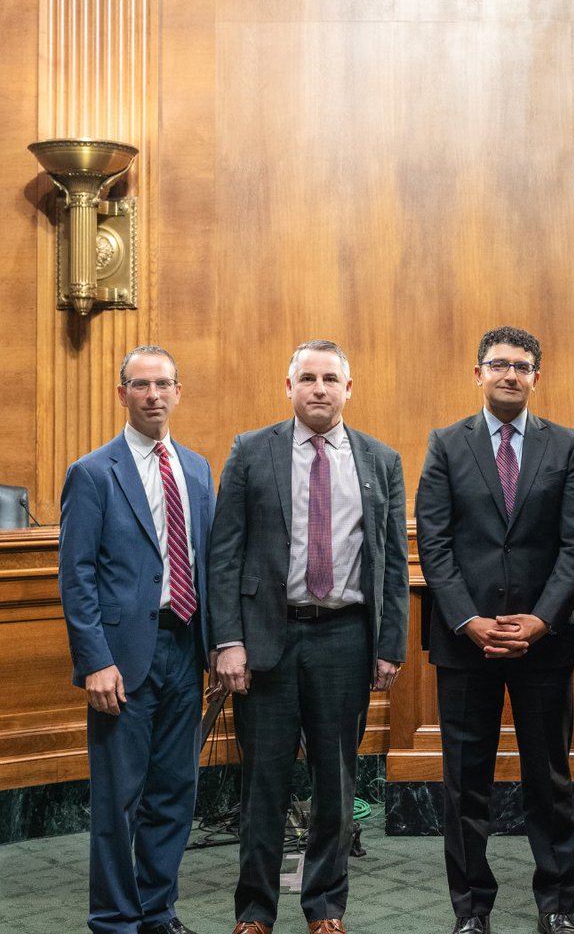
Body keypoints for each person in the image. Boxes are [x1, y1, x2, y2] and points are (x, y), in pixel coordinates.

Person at [209, 339, 408, 934]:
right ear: (288, 387)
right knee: (263, 784)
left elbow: (392, 562)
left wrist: (389, 644)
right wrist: (227, 641)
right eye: (307, 378)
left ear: (350, 388)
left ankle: (325, 908)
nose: (318, 389)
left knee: (336, 781)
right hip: (268, 640)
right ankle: (254, 913)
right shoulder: (250, 451)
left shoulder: (380, 459)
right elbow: (224, 555)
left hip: (345, 639)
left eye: (330, 379)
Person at [416, 326, 574, 934]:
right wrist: (470, 621)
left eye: (521, 366)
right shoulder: (445, 444)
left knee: (551, 782)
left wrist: (541, 620)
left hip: (543, 643)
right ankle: (471, 910)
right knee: (466, 784)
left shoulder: (565, 445)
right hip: (465, 644)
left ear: (536, 377)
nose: (509, 374)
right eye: (498, 365)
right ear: (478, 373)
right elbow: (433, 544)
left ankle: (557, 905)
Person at [59, 345, 216, 934]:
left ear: (179, 392)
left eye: (163, 384)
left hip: (185, 649)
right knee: (118, 801)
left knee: (175, 792)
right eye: (140, 385)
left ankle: (158, 912)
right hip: (121, 660)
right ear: (121, 393)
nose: (153, 395)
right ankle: (114, 920)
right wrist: (94, 660)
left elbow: (209, 566)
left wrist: (221, 645)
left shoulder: (197, 469)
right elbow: (76, 577)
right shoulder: (94, 471)